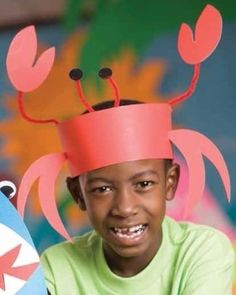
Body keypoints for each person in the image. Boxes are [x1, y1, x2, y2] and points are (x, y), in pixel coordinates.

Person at [5, 4, 235, 294]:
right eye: (102, 189)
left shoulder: (203, 250)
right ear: (78, 193)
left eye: (144, 184)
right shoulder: (57, 267)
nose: (125, 207)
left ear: (171, 182)